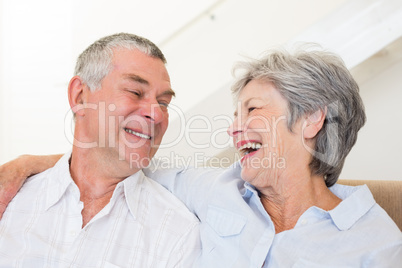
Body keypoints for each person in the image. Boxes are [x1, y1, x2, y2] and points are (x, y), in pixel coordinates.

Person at [1, 46, 402, 267]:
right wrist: (28, 164)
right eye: (235, 114)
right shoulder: (217, 189)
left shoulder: (378, 242)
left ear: (312, 119)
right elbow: (114, 159)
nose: (233, 129)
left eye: (253, 110)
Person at [0, 33, 201, 267]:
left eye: (164, 103)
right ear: (80, 96)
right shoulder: (10, 201)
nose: (156, 114)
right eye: (135, 92)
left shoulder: (178, 234)